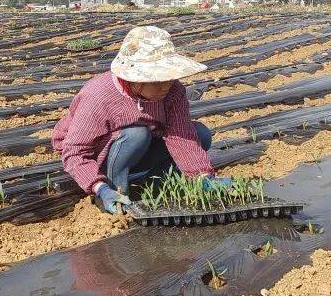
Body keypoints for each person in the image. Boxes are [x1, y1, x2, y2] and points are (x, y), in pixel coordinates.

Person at [51, 25, 221, 215]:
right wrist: (99, 187)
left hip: (141, 146)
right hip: (98, 154)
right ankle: (115, 191)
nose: (166, 85)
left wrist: (203, 176)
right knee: (136, 134)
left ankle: (154, 185)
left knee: (200, 134)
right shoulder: (98, 96)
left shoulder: (173, 91)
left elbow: (180, 135)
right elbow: (75, 151)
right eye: (157, 79)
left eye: (169, 78)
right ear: (134, 78)